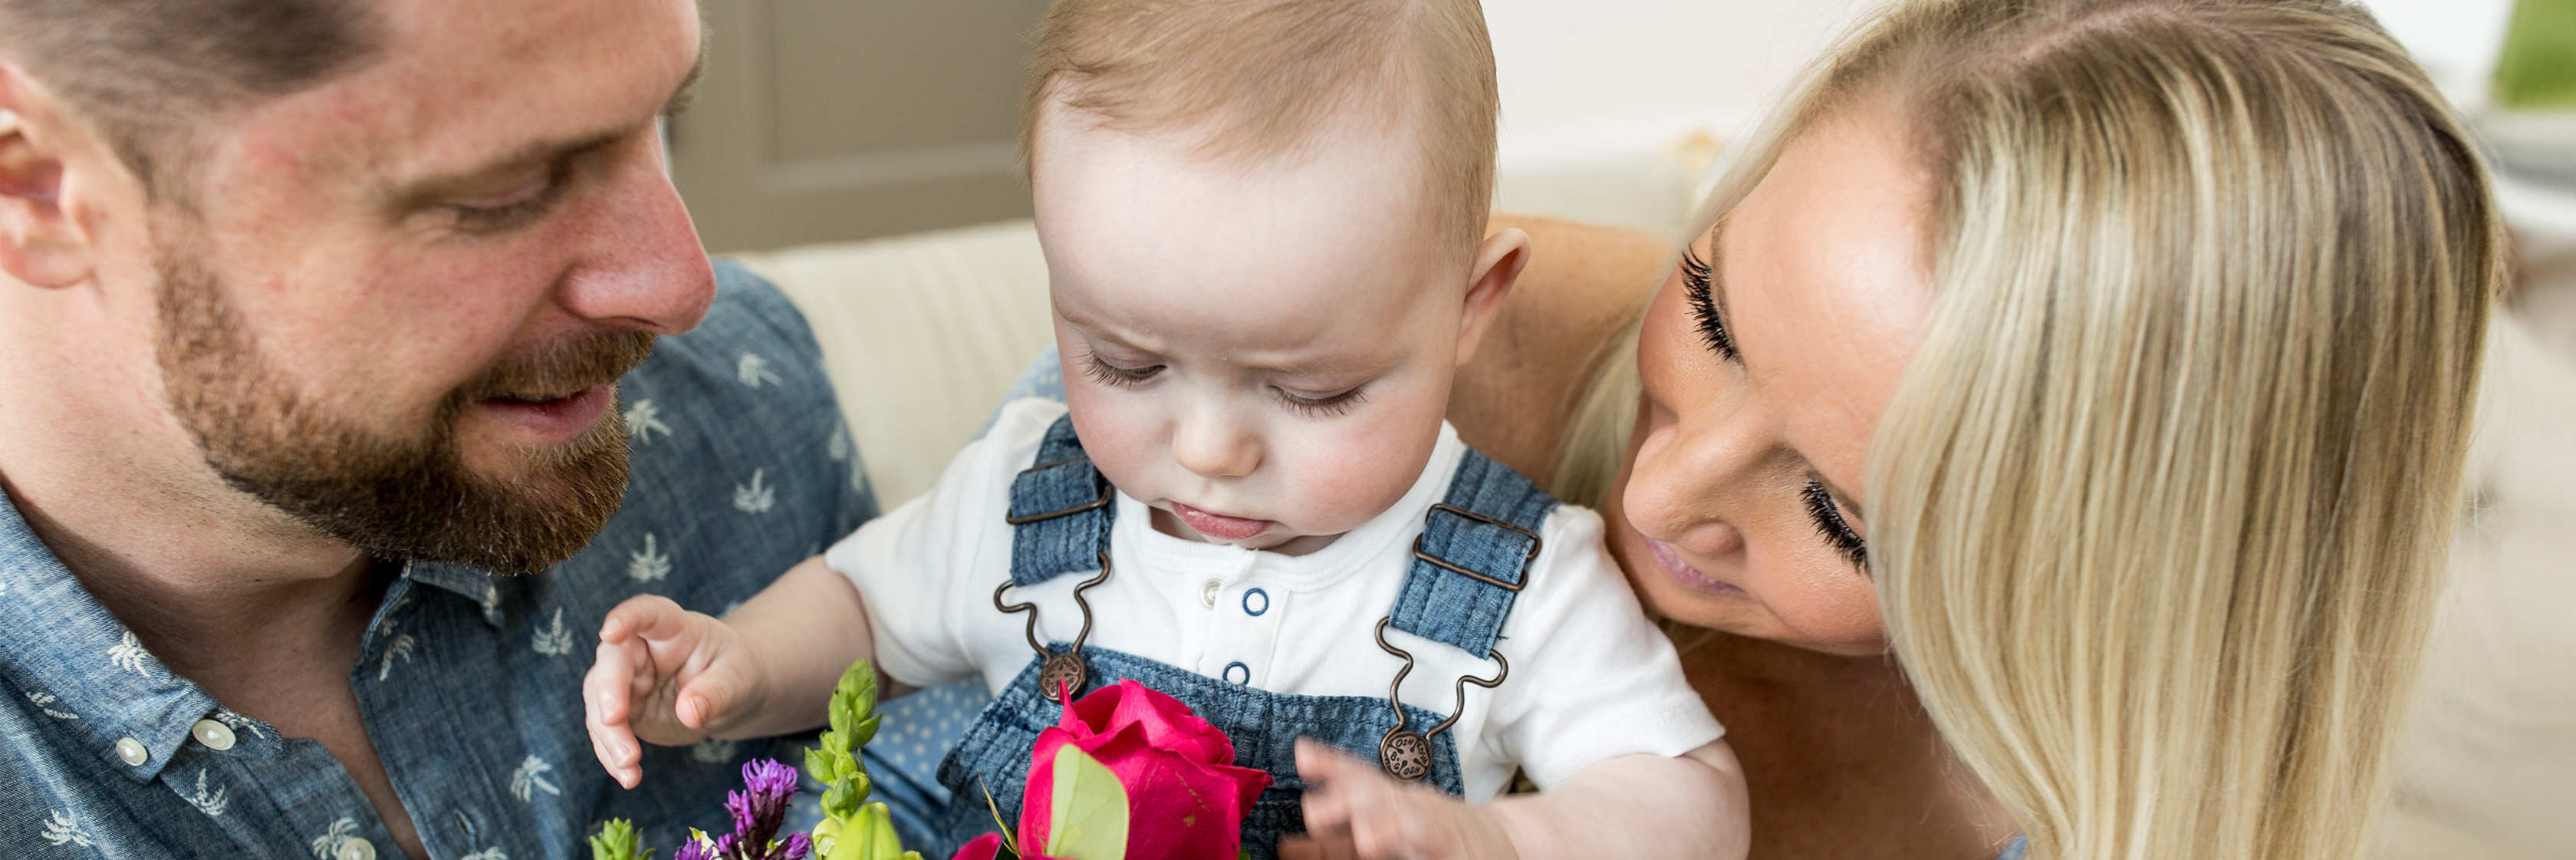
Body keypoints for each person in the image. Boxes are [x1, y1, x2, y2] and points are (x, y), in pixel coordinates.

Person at [581, 2, 1749, 859]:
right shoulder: (1026, 496)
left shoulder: (1516, 581)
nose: (1207, 449)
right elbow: (867, 611)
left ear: (1469, 309)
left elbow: (1687, 798)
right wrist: (734, 664)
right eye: (1124, 362)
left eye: (1312, 391)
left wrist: (1490, 841)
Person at [1457, 1, 2499, 858]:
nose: (1656, 493)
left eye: (1839, 514)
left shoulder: (2068, 819)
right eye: (1711, 312)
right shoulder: (1406, 346)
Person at [0, 1, 872, 858]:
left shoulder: (747, 407)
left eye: (663, 114)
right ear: (37, 188)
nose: (683, 289)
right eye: (505, 189)